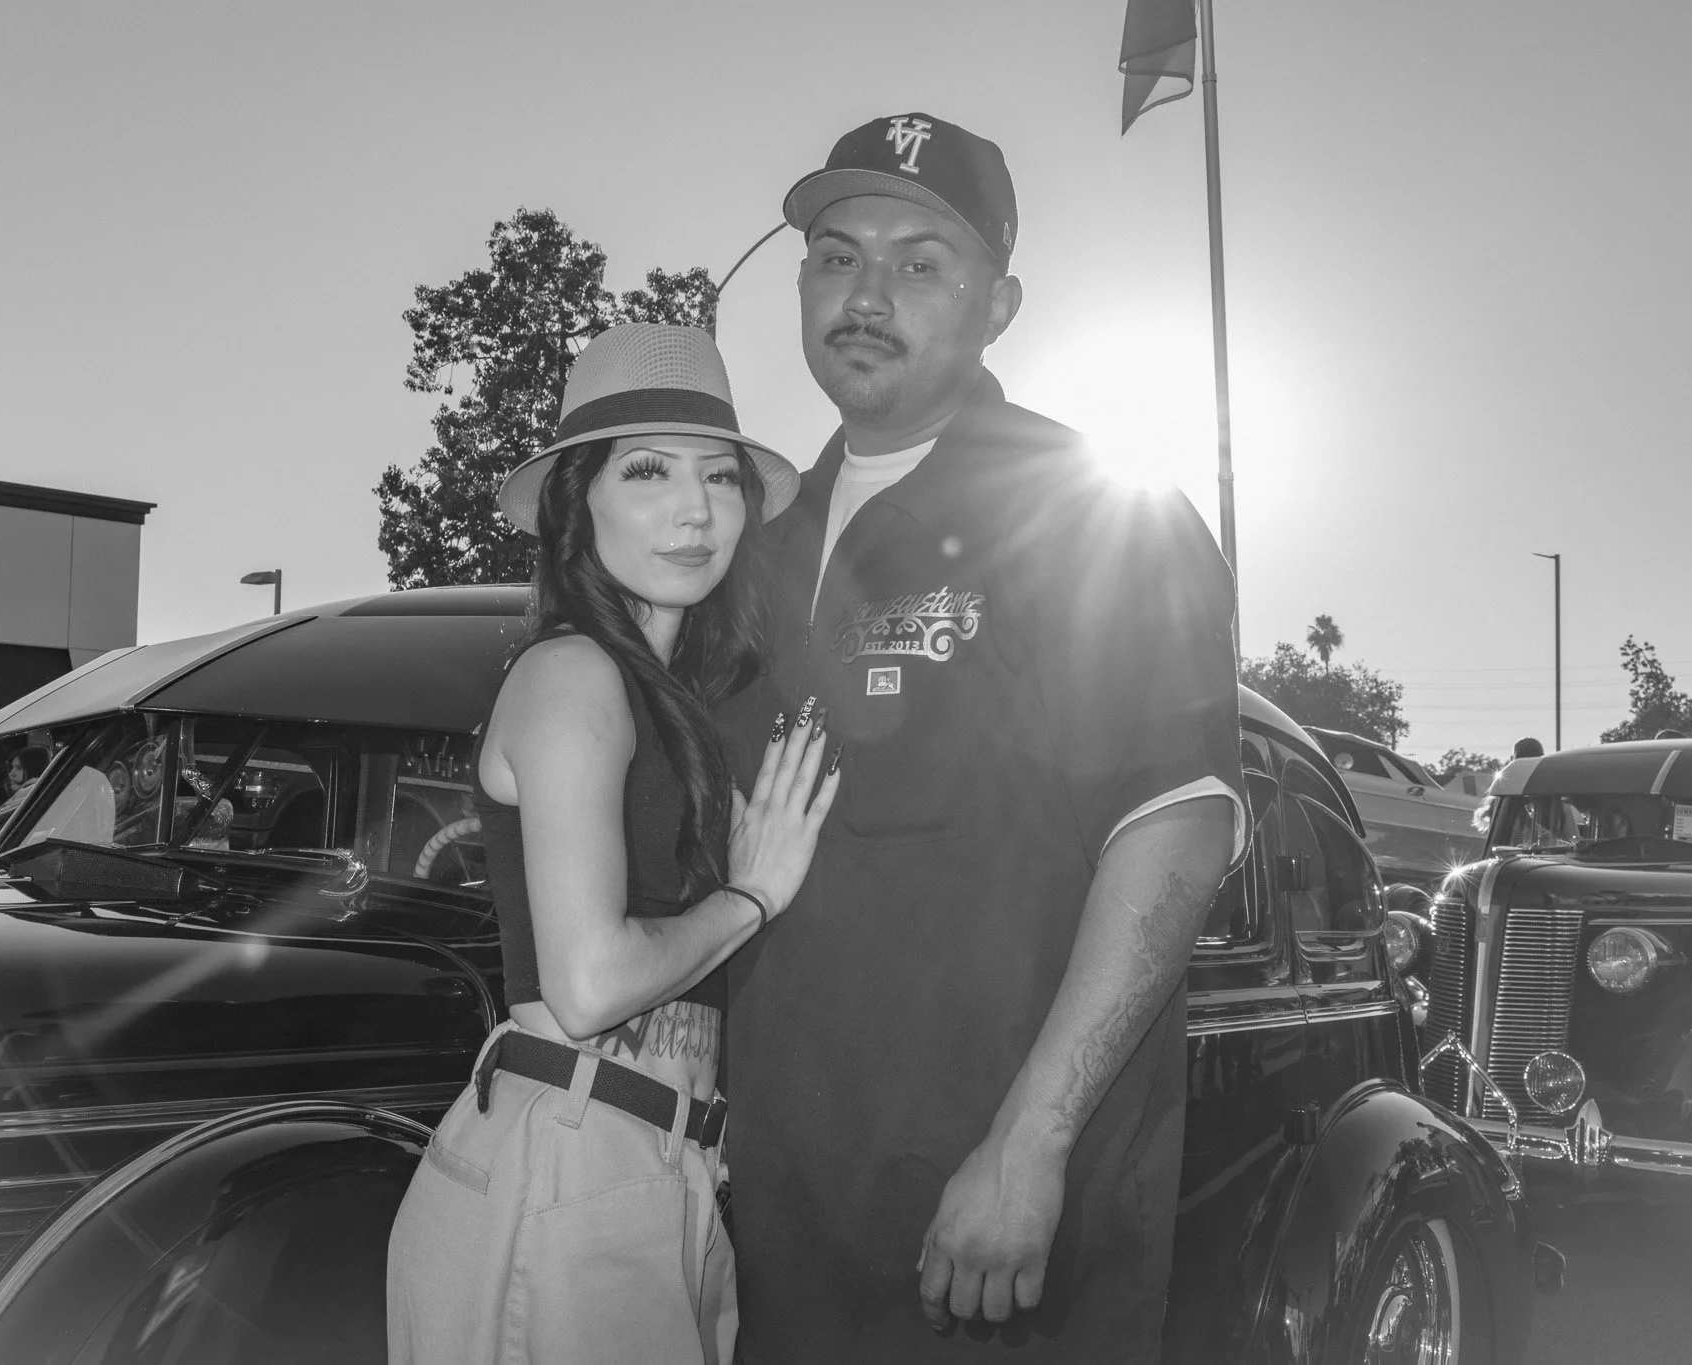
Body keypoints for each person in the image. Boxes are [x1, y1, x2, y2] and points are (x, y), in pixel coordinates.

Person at [716, 114, 1246, 1362]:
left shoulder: (1091, 514)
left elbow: (1173, 826)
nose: (865, 295)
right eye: (836, 257)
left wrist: (1029, 1142)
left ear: (997, 306)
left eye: (919, 264)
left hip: (991, 1220)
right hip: (779, 1208)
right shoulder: (752, 542)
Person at [385, 322, 833, 1365]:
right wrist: (752, 896)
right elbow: (587, 985)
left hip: (661, 1166)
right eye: (646, 471)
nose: (695, 509)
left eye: (718, 475)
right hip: (572, 1162)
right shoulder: (572, 673)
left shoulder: (667, 698)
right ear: (573, 505)